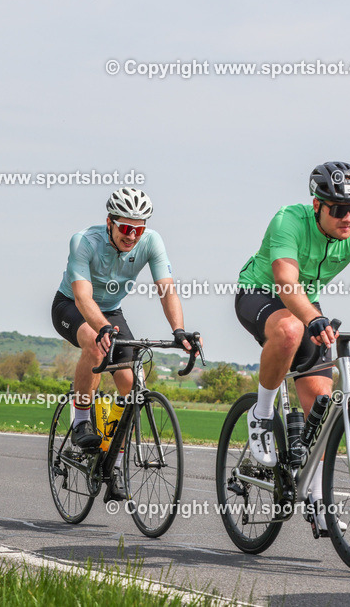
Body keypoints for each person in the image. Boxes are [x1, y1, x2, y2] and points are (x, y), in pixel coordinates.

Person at [235, 162, 350, 531]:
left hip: (306, 305)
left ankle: (316, 494)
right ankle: (260, 413)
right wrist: (311, 318)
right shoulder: (288, 220)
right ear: (317, 204)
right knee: (291, 331)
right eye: (339, 209)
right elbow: (285, 281)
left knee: (320, 405)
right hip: (261, 293)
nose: (349, 218)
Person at [52, 187, 198, 502]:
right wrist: (102, 327)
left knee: (130, 386)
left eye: (139, 229)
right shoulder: (84, 241)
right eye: (126, 228)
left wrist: (179, 330)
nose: (132, 235)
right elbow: (82, 296)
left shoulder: (151, 242)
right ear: (110, 223)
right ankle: (80, 421)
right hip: (72, 306)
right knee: (94, 342)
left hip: (112, 311)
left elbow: (167, 289)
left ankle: (113, 465)